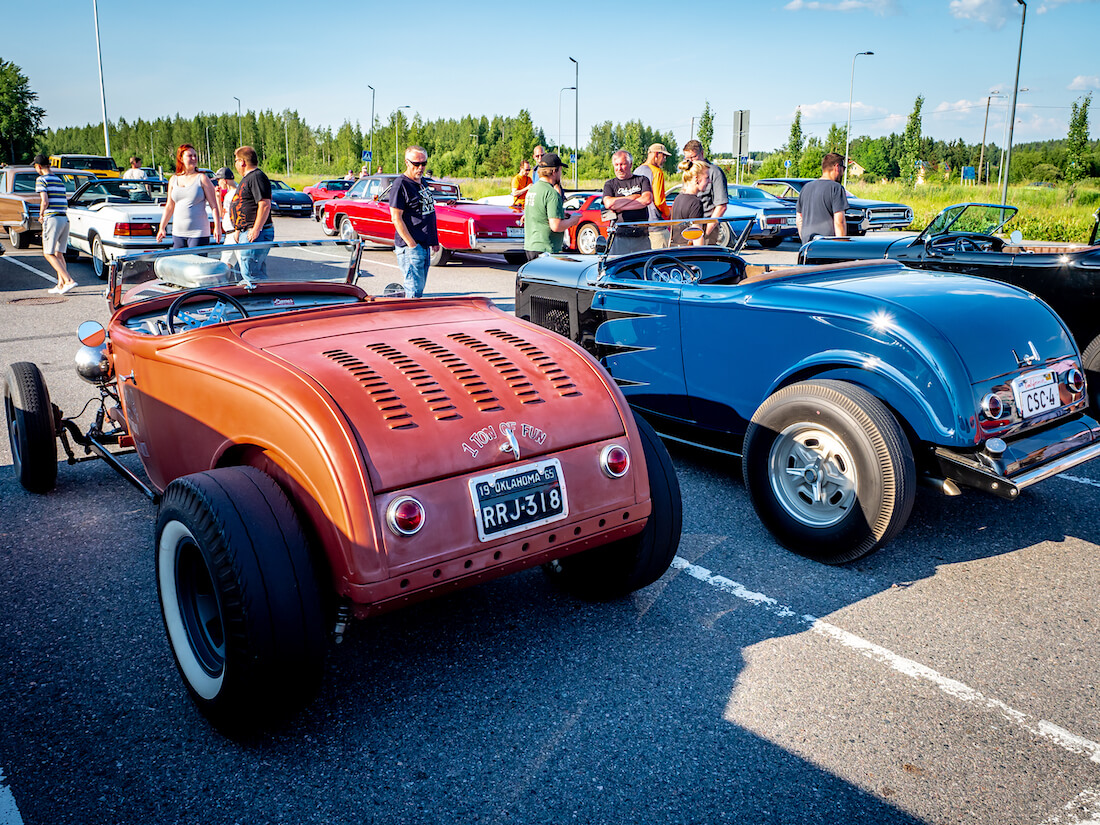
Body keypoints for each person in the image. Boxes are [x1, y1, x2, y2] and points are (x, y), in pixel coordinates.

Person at [388, 145, 439, 298]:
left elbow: (429, 212)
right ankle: (409, 319)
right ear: (407, 162)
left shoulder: (422, 182)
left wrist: (434, 240)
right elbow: (396, 218)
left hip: (424, 244)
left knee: (419, 290)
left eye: (424, 163)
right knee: (413, 291)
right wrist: (412, 244)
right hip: (411, 247)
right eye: (416, 164)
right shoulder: (400, 185)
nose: (420, 167)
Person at [156, 144, 222, 249]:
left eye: (195, 156)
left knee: (195, 263)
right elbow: (169, 206)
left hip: (198, 233)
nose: (194, 158)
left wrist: (217, 227)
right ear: (181, 158)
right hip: (178, 232)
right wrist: (162, 227)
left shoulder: (202, 179)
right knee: (179, 264)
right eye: (190, 156)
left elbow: (214, 206)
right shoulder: (174, 179)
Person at [32, 154, 76, 294]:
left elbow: (44, 201)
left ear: (39, 167)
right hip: (64, 218)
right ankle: (61, 284)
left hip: (52, 218)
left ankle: (69, 280)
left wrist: (41, 214)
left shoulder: (41, 180)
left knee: (48, 253)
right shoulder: (58, 179)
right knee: (59, 253)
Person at [230, 145, 274, 280]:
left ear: (242, 162)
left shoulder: (256, 177)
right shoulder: (249, 178)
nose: (236, 164)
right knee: (252, 270)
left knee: (252, 274)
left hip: (255, 234)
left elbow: (264, 204)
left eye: (236, 160)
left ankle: (259, 300)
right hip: (246, 231)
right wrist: (238, 228)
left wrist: (256, 229)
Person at [523, 152, 580, 257]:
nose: (561, 174)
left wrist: (563, 216)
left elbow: (539, 214)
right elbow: (556, 226)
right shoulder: (552, 193)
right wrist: (573, 220)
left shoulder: (532, 190)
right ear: (554, 171)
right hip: (546, 248)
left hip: (530, 245)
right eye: (560, 170)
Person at [602, 150, 652, 255]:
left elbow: (646, 200)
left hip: (641, 236)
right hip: (620, 236)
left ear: (630, 165)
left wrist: (620, 207)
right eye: (616, 165)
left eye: (622, 164)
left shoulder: (642, 180)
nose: (619, 168)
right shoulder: (610, 184)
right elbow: (609, 204)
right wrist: (634, 197)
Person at [796, 152, 849, 243]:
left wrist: (804, 240)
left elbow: (799, 219)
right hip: (827, 245)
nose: (842, 173)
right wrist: (842, 246)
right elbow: (839, 221)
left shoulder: (805, 188)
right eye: (843, 168)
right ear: (836, 167)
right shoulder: (836, 188)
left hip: (808, 245)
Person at [682, 139, 728, 239]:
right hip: (688, 229)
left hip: (705, 227)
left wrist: (705, 233)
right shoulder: (689, 172)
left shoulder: (714, 172)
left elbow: (721, 206)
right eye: (687, 158)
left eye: (693, 157)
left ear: (702, 153)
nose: (690, 161)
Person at [634, 143, 672, 248]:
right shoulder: (657, 172)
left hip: (640, 227)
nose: (664, 160)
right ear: (656, 154)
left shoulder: (637, 171)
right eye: (663, 156)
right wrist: (668, 213)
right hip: (656, 227)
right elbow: (659, 201)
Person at [670, 160, 708, 247]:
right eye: (707, 178)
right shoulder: (696, 203)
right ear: (696, 179)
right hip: (688, 251)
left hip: (675, 249)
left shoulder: (678, 198)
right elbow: (697, 235)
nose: (709, 181)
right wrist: (701, 255)